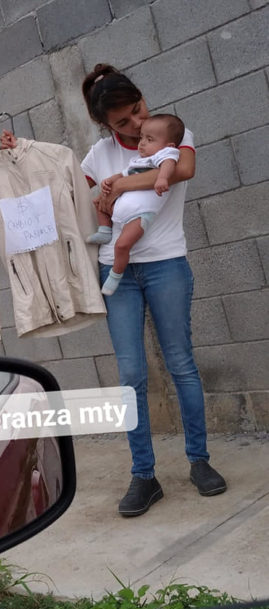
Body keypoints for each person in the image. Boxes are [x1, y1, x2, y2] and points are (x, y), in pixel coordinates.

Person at [76, 63, 226, 516]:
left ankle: (199, 462)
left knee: (181, 363)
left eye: (138, 110)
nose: (137, 124)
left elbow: (181, 171)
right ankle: (144, 476)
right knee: (130, 376)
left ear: (143, 97)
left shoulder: (172, 131)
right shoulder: (96, 155)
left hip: (165, 265)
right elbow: (79, 196)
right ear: (106, 124)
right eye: (123, 122)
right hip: (116, 272)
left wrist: (118, 185)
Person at [87, 114, 185, 296]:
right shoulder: (138, 161)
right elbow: (124, 174)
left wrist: (162, 178)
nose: (142, 143)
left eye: (150, 139)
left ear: (168, 145)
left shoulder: (166, 154)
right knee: (97, 201)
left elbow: (169, 165)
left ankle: (115, 275)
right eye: (142, 138)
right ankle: (105, 229)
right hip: (120, 210)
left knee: (122, 245)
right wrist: (111, 181)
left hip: (139, 216)